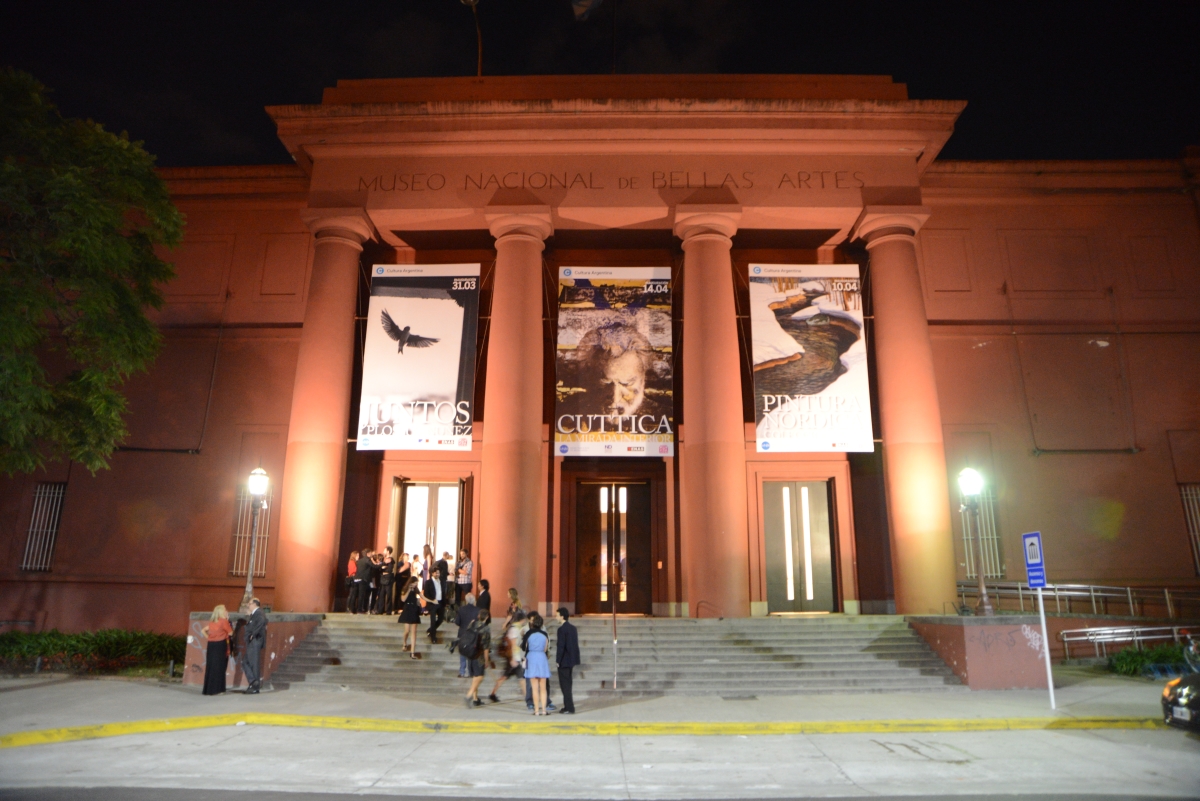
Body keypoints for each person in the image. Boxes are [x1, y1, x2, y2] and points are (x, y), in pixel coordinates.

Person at [488, 613, 526, 703]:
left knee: (505, 676)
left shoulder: (514, 627)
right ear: (522, 619)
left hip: (513, 657)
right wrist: (513, 658)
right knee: (521, 678)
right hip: (514, 658)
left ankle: (493, 693)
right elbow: (513, 644)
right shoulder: (515, 629)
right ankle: (528, 697)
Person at [522, 612, 551, 715]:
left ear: (533, 623)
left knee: (534, 688)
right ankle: (544, 710)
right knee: (543, 687)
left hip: (532, 658)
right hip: (542, 658)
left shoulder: (528, 633)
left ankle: (536, 710)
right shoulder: (545, 634)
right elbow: (546, 648)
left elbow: (524, 647)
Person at [201, 604, 233, 696]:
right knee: (220, 666)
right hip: (220, 644)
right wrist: (227, 620)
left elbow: (203, 630)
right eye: (225, 609)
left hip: (211, 645)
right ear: (221, 612)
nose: (226, 611)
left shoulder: (212, 622)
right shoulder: (223, 621)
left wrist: (209, 637)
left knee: (211, 666)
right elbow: (230, 632)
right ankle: (218, 689)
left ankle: (208, 689)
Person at [462, 608, 492, 708]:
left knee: (475, 676)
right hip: (479, 655)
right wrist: (487, 660)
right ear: (487, 617)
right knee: (480, 676)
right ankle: (469, 695)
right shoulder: (486, 629)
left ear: (479, 616)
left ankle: (475, 699)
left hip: (470, 653)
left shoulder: (472, 623)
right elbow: (486, 647)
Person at [555, 607, 580, 714]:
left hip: (564, 661)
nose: (556, 617)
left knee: (565, 685)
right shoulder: (573, 628)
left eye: (557, 615)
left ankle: (569, 707)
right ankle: (568, 706)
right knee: (568, 683)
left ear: (562, 616)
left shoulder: (561, 630)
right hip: (572, 660)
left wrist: (558, 660)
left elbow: (561, 646)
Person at [242, 598, 267, 694]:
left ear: (255, 604)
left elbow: (262, 622)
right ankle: (253, 682)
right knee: (246, 662)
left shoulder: (259, 613)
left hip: (255, 641)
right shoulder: (254, 614)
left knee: (253, 663)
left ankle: (255, 686)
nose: (248, 605)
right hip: (253, 642)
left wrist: (254, 634)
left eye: (250, 603)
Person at [453, 592, 480, 678]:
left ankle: (462, 672)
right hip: (473, 635)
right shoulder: (478, 610)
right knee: (471, 653)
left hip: (462, 634)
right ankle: (470, 672)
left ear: (466, 600)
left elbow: (457, 622)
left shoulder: (461, 609)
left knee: (462, 653)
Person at [397, 575, 423, 659]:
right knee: (407, 631)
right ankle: (404, 642)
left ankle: (412, 652)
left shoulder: (416, 590)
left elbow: (421, 597)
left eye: (416, 583)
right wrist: (408, 589)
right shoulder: (405, 588)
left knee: (414, 632)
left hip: (414, 609)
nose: (415, 585)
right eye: (414, 583)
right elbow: (403, 599)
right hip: (407, 609)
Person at [424, 566, 446, 643]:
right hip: (432, 603)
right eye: (436, 573)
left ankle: (430, 630)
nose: (437, 574)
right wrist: (432, 600)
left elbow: (443, 592)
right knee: (432, 620)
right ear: (432, 573)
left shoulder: (442, 581)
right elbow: (426, 594)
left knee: (441, 619)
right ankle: (433, 637)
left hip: (440, 602)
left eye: (438, 573)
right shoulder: (428, 582)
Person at [376, 546, 396, 615]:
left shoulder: (391, 560)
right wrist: (382, 569)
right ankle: (380, 610)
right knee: (381, 595)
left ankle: (388, 610)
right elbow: (380, 569)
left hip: (388, 579)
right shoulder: (383, 559)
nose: (383, 551)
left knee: (389, 595)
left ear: (388, 551)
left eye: (385, 550)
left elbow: (389, 570)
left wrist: (383, 569)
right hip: (383, 579)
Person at [353, 550, 374, 614]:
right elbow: (374, 566)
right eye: (370, 553)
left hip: (356, 579)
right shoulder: (367, 560)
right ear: (368, 553)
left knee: (355, 595)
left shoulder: (359, 561)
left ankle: (353, 609)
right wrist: (381, 565)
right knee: (361, 595)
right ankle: (359, 609)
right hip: (363, 579)